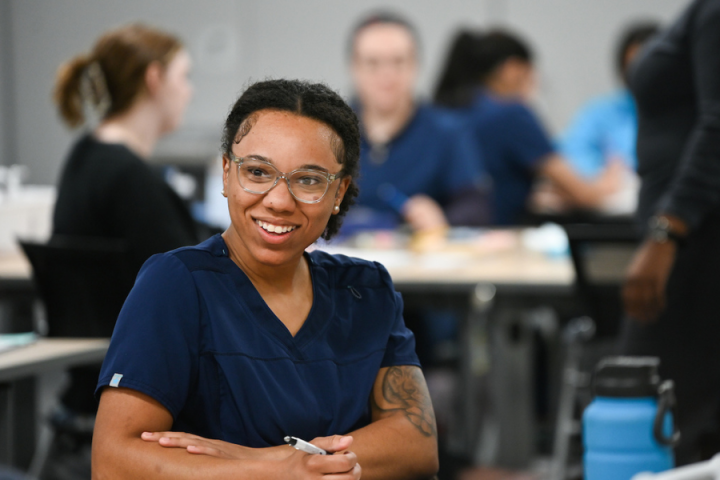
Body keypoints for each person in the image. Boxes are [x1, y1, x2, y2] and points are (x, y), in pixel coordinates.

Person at [91, 79, 439, 480]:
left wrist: (275, 460)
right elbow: (113, 461)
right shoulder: (175, 285)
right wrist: (275, 469)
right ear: (225, 173)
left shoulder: (365, 290)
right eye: (257, 172)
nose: (278, 200)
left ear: (339, 191)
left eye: (308, 180)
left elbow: (418, 441)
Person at [49, 23, 199, 478]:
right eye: (183, 77)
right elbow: (191, 283)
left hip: (86, 398)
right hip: (136, 399)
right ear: (154, 80)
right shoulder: (131, 180)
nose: (189, 92)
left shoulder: (86, 155)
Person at [621, 0, 720, 465]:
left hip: (695, 244)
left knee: (642, 421)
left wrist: (666, 233)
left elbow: (718, 124)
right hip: (689, 239)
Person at [434, 29, 622, 225]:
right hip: (496, 240)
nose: (533, 87)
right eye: (530, 76)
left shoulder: (450, 108)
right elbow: (583, 194)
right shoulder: (511, 115)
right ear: (511, 69)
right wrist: (606, 184)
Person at [347, 12, 490, 233]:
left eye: (398, 61)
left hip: (419, 260)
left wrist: (442, 219)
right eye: (373, 63)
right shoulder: (328, 132)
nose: (387, 74)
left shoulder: (448, 130)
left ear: (416, 64)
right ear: (354, 67)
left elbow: (475, 206)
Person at [558, 22, 660, 178]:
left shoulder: (689, 113)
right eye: (632, 65)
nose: (640, 74)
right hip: (616, 197)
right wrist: (601, 175)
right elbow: (572, 154)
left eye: (649, 64)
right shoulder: (601, 112)